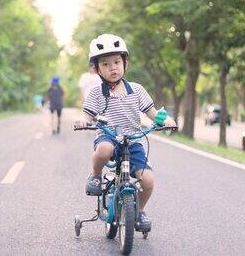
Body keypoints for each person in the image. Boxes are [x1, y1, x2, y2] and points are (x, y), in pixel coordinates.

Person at [75, 34, 176, 232]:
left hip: (133, 139)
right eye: (105, 64)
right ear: (97, 69)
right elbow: (87, 116)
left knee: (147, 180)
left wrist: (167, 121)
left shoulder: (136, 90)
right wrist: (83, 122)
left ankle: (138, 211)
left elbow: (153, 113)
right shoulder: (96, 93)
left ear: (125, 64)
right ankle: (95, 175)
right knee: (104, 150)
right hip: (109, 135)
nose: (112, 68)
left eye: (116, 62)